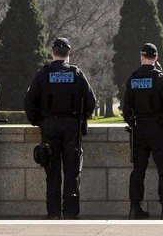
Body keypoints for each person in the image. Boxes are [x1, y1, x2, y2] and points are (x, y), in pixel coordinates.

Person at [24, 38, 96, 219]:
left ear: (52, 52)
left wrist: (38, 121)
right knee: (72, 170)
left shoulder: (43, 74)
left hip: (49, 126)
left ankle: (53, 213)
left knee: (52, 170)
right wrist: (80, 118)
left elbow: (29, 100)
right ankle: (71, 212)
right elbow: (91, 100)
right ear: (68, 53)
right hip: (72, 125)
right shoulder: (77, 73)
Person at [122, 43, 163, 220]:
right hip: (158, 129)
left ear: (142, 57)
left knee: (138, 170)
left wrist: (133, 123)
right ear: (156, 57)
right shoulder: (160, 78)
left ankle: (135, 208)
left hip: (139, 130)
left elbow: (126, 109)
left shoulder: (133, 78)